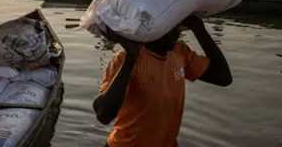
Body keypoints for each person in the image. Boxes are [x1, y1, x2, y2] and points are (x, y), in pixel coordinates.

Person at [93, 15, 232, 147]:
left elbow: (223, 78)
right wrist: (131, 58)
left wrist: (199, 30)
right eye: (169, 28)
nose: (176, 33)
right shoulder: (125, 58)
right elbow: (104, 116)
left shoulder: (180, 52)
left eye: (176, 26)